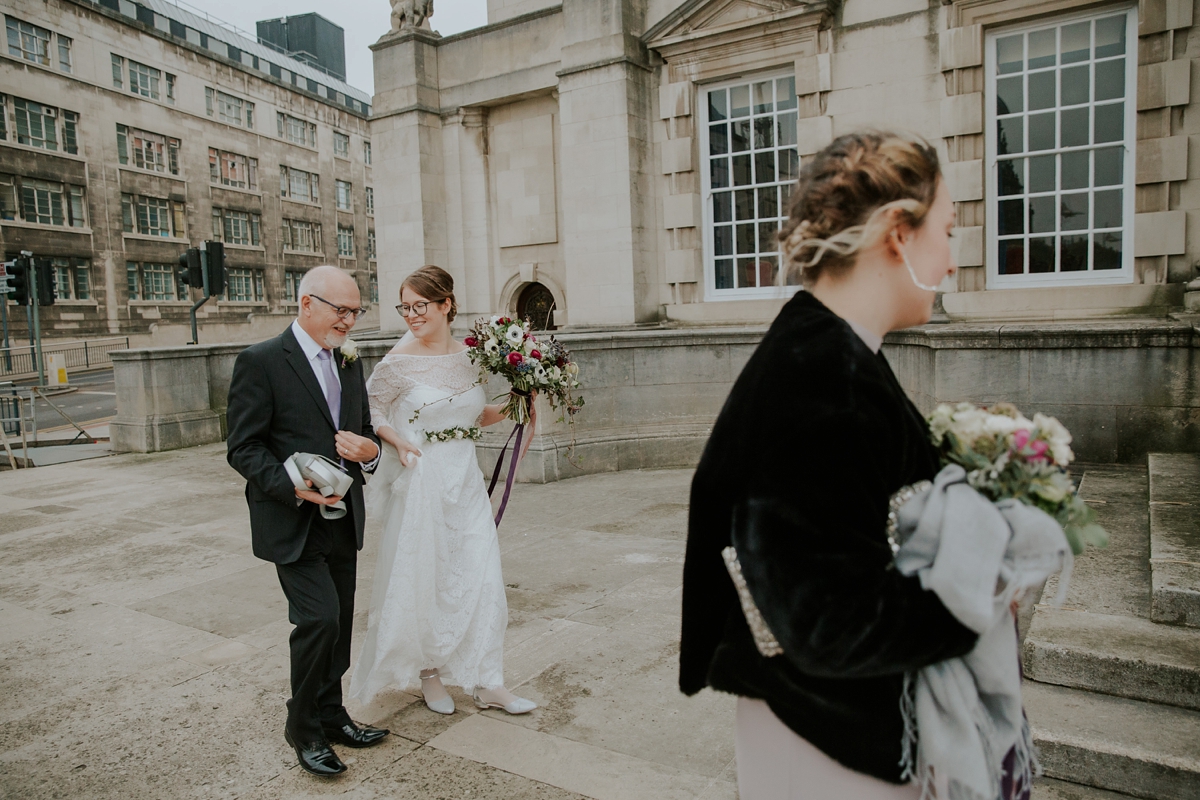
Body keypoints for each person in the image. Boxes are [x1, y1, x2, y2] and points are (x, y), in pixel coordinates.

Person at [679, 131, 979, 799]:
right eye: (949, 231)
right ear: (898, 232)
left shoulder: (829, 349)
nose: (954, 260)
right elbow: (827, 623)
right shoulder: (823, 376)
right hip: (825, 744)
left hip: (816, 725)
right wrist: (983, 590)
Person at [348, 265, 538, 716]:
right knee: (427, 577)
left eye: (420, 306)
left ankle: (487, 680)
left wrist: (519, 401)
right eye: (405, 307)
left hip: (465, 481)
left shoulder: (472, 356)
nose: (411, 315)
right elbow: (370, 411)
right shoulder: (397, 362)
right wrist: (396, 441)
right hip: (422, 481)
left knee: (482, 573)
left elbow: (472, 415)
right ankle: (429, 673)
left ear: (446, 304)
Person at [226, 265, 389, 777]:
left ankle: (333, 715)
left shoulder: (349, 362)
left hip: (343, 517)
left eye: (355, 311)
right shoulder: (261, 361)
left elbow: (363, 434)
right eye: (340, 310)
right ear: (306, 304)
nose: (348, 320)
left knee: (338, 624)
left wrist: (370, 453)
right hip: (291, 518)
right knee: (317, 619)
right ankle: (303, 727)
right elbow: (243, 448)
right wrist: (286, 484)